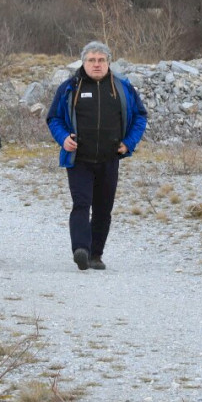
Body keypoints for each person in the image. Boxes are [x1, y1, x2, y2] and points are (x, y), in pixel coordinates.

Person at [46, 40, 148, 271]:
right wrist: (63, 138)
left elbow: (140, 116)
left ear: (109, 62)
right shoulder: (70, 87)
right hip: (79, 159)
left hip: (109, 158)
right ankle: (81, 250)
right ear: (83, 62)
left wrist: (129, 143)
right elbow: (54, 118)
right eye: (91, 60)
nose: (97, 64)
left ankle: (95, 255)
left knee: (103, 209)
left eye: (101, 60)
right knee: (81, 204)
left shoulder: (123, 87)